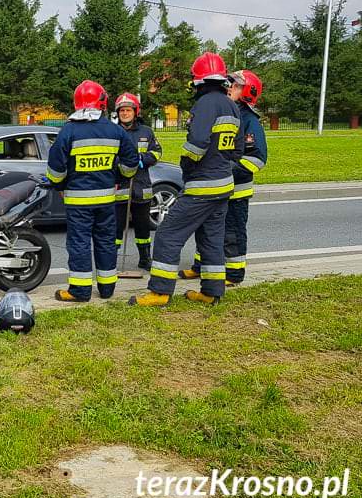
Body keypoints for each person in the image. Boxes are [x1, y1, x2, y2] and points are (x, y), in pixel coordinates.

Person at [130, 52, 243, 307]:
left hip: (202, 185)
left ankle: (159, 292)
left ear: (199, 81)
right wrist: (221, 165)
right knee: (211, 238)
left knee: (168, 234)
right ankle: (212, 291)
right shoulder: (232, 107)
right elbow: (237, 151)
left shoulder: (205, 104)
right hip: (224, 185)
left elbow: (197, 143)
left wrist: (187, 164)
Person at [46, 80, 139, 302]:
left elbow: (55, 170)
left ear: (77, 103)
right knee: (106, 241)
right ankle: (107, 289)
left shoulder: (68, 131)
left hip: (78, 202)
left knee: (79, 243)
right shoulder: (115, 130)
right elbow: (131, 163)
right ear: (103, 103)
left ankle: (80, 290)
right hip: (107, 198)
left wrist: (61, 186)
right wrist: (117, 178)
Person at [179, 70, 267, 285]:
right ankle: (201, 267)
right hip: (215, 186)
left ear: (247, 92)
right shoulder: (225, 112)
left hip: (236, 190)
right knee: (206, 228)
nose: (229, 88)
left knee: (232, 232)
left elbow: (257, 158)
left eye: (236, 86)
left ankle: (234, 273)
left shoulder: (249, 120)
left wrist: (227, 171)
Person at [113, 93, 162, 270]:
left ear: (135, 112)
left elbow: (157, 153)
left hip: (141, 186)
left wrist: (142, 159)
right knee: (116, 227)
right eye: (122, 110)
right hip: (120, 186)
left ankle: (145, 258)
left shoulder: (146, 132)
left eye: (128, 110)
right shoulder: (113, 131)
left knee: (143, 227)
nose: (125, 113)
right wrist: (121, 162)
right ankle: (111, 259)